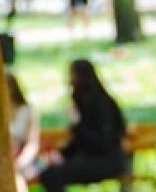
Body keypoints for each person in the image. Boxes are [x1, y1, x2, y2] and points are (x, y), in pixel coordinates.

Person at [35, 59, 127, 191]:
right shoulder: (80, 102)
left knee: (54, 175)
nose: (69, 81)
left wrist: (77, 125)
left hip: (107, 160)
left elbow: (102, 142)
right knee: (46, 170)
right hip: (90, 157)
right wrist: (62, 154)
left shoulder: (102, 104)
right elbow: (78, 142)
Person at [7, 72, 41, 187]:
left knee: (17, 179)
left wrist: (21, 162)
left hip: (22, 158)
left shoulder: (27, 110)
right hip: (3, 158)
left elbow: (32, 144)